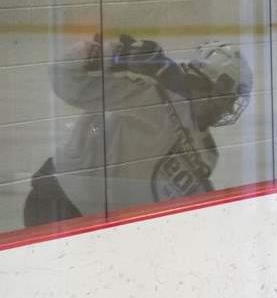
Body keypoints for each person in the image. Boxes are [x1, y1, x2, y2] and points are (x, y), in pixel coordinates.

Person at [25, 35, 252, 226]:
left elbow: (167, 205)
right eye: (231, 99)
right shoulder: (153, 87)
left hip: (100, 224)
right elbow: (63, 76)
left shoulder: (207, 155)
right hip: (59, 200)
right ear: (217, 88)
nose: (231, 108)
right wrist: (111, 53)